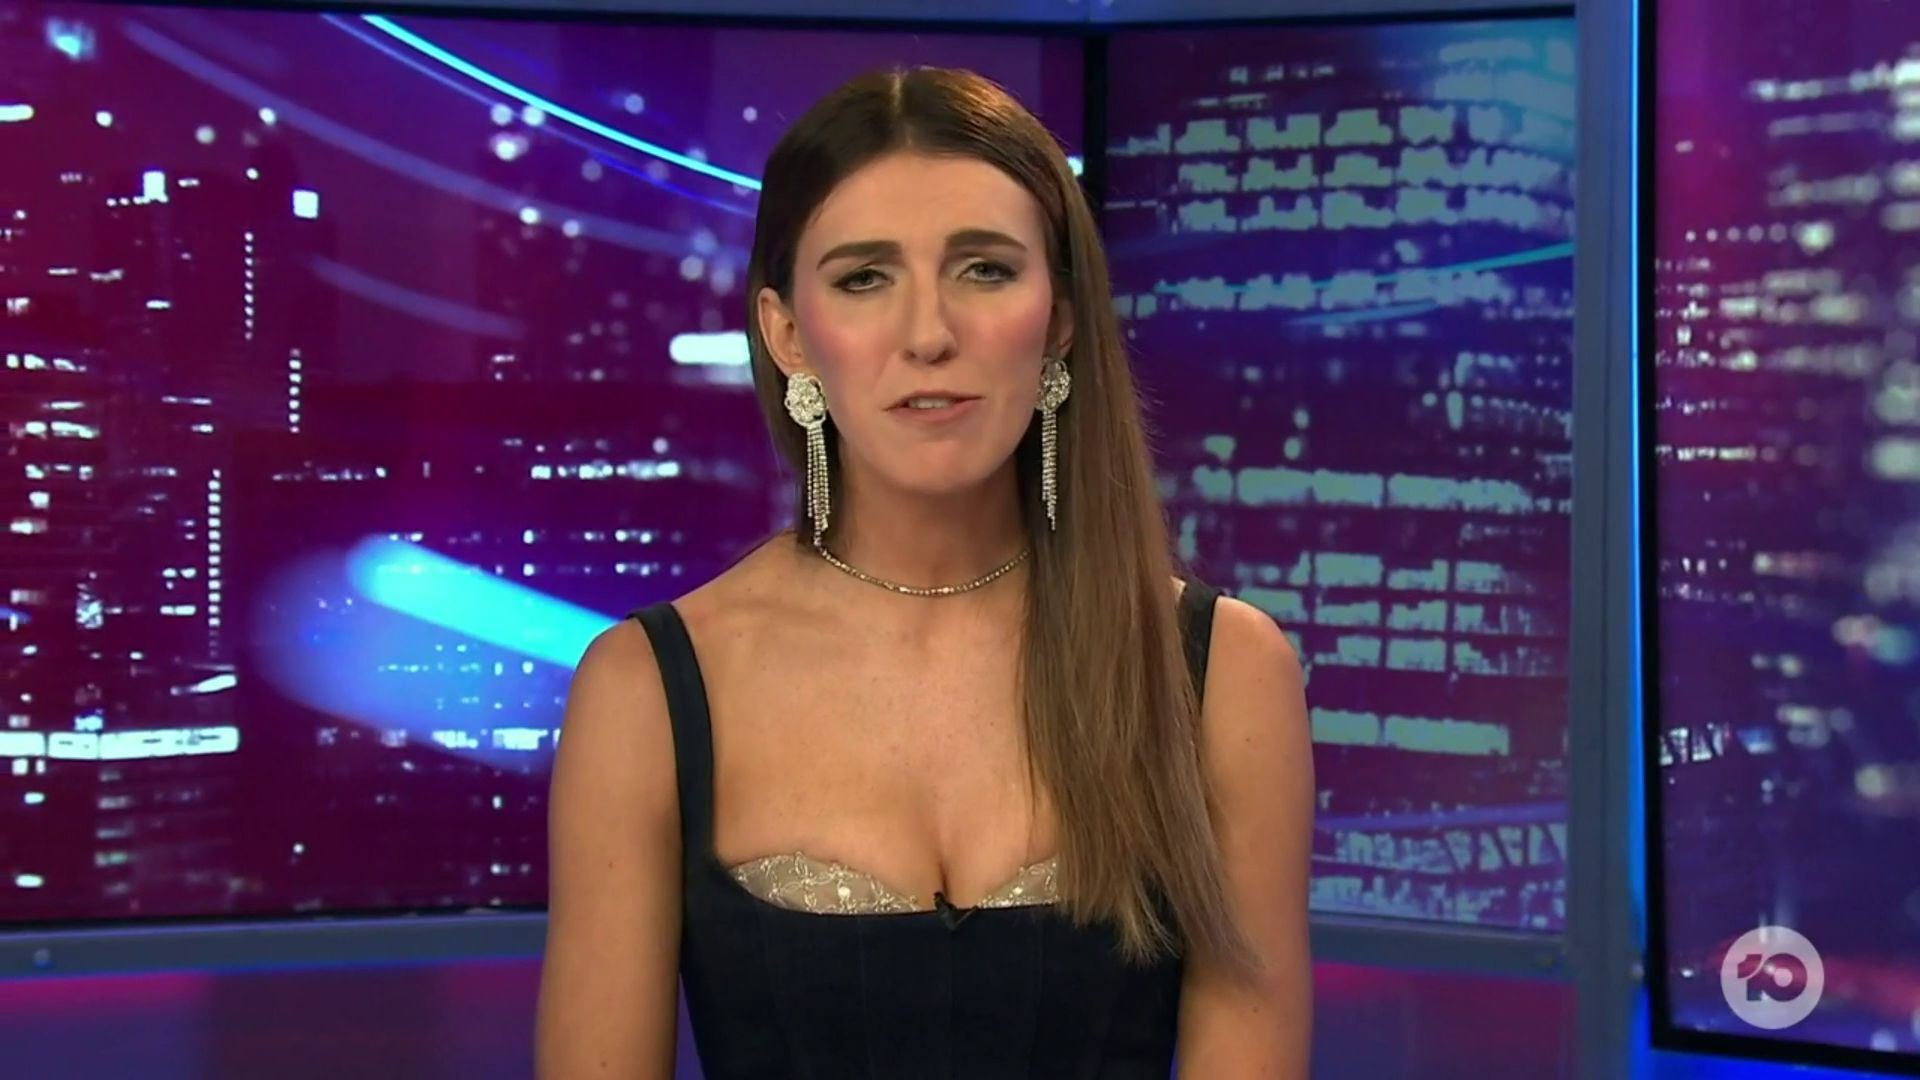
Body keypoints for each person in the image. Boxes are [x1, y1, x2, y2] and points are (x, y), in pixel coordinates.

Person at [535, 65, 1313, 1079]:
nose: (929, 335)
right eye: (865, 278)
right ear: (787, 333)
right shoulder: (647, 690)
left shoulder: (1220, 672)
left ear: (1060, 318)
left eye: (983, 269)